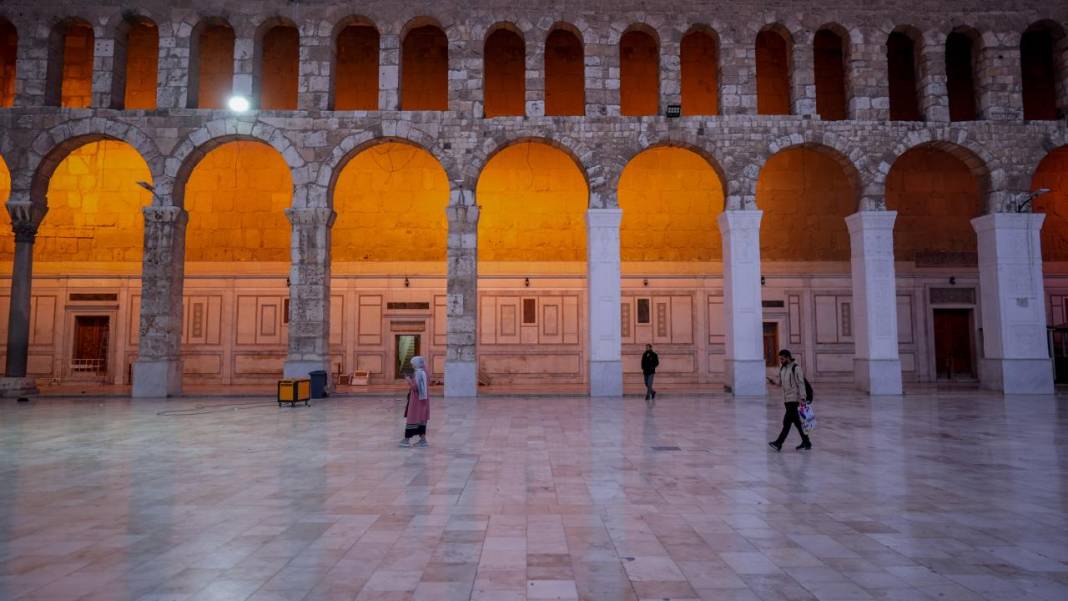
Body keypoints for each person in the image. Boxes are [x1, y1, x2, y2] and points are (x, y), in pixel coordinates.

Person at [769, 349, 812, 451]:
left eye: (782, 358)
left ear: (788, 357)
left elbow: (801, 383)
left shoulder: (796, 368)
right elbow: (780, 384)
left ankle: (779, 443)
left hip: (794, 399)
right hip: (786, 400)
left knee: (786, 422)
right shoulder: (783, 369)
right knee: (797, 422)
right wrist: (773, 382)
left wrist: (803, 397)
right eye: (780, 359)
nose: (781, 361)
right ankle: (806, 442)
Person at [400, 356, 430, 448]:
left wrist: (408, 380)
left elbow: (415, 388)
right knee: (421, 420)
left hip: (417, 401)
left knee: (413, 419)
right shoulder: (424, 372)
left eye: (413, 364)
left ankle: (406, 440)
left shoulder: (419, 373)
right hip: (423, 401)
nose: (412, 365)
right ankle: (423, 440)